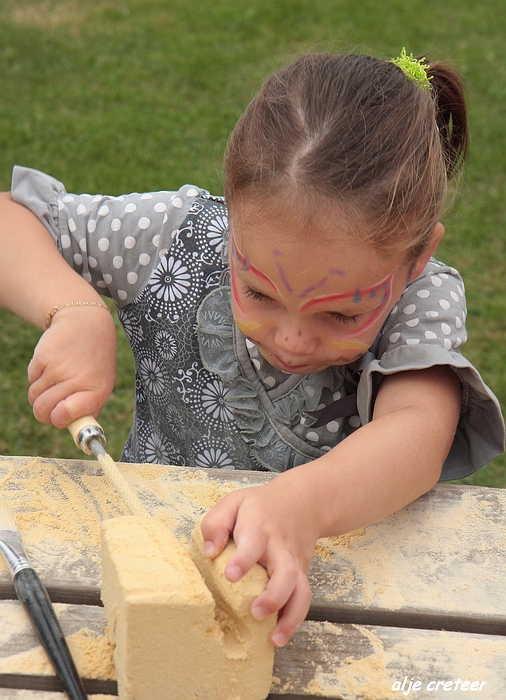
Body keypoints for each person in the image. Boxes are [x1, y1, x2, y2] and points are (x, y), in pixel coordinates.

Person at [0, 50, 503, 648]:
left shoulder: (421, 295)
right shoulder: (177, 239)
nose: (292, 337)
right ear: (233, 217)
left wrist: (301, 509)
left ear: (416, 258)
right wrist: (74, 308)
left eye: (342, 312)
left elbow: (420, 430)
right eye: (260, 293)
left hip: (330, 603)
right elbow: (13, 218)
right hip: (147, 573)